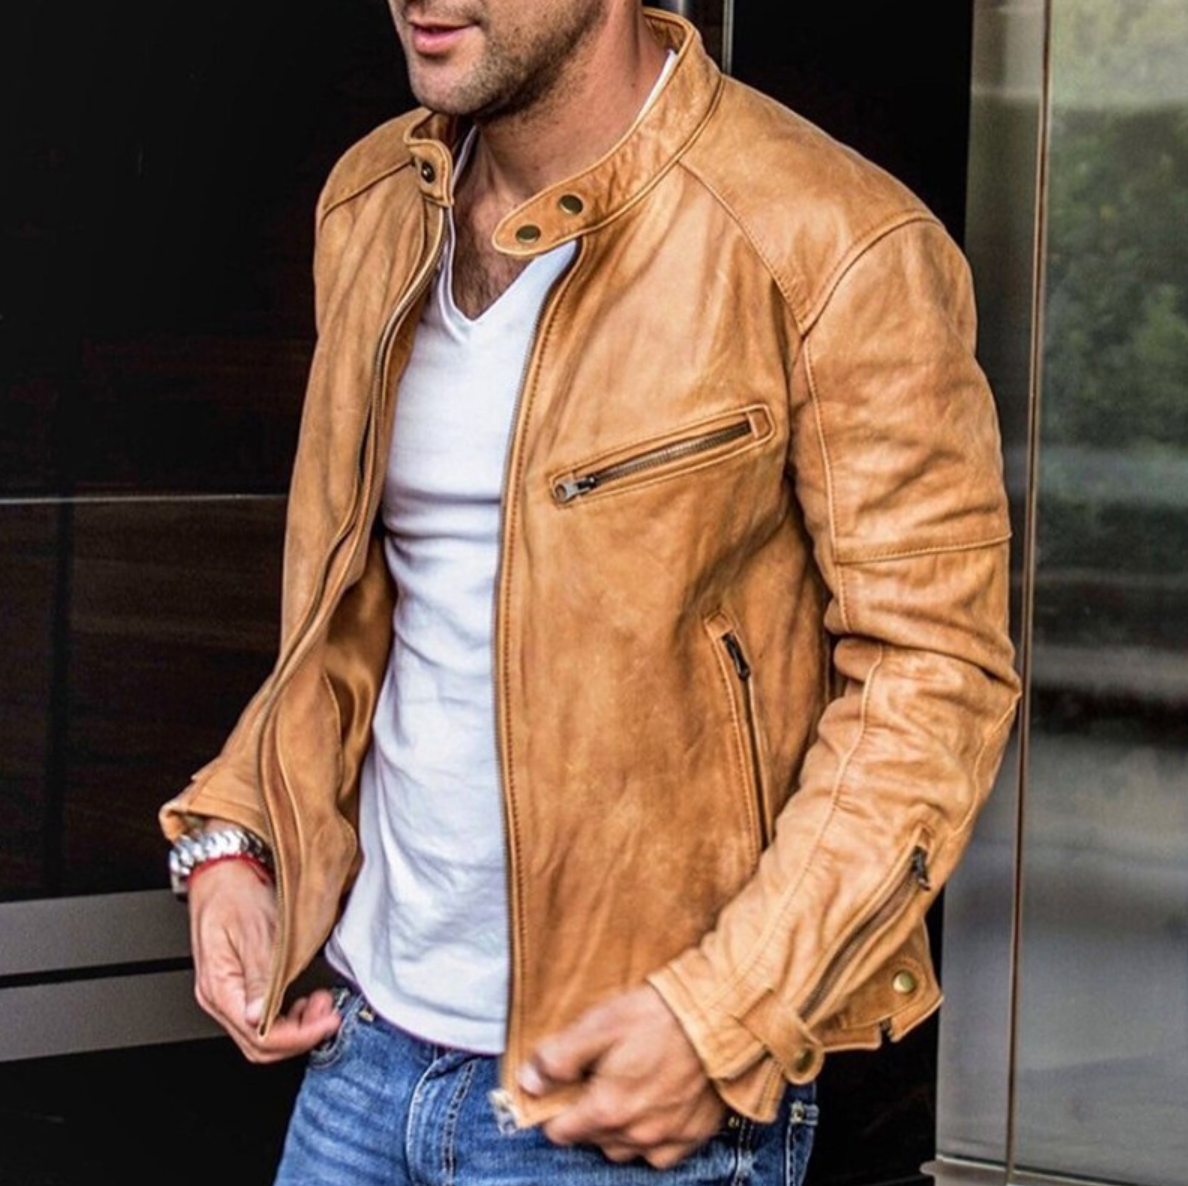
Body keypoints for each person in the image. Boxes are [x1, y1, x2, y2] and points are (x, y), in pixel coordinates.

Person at [160, 3, 1020, 1183]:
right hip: (359, 1056)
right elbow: (363, 613)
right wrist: (235, 834)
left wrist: (726, 1014)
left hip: (620, 1097)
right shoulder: (373, 200)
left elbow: (934, 674)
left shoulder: (832, 236)